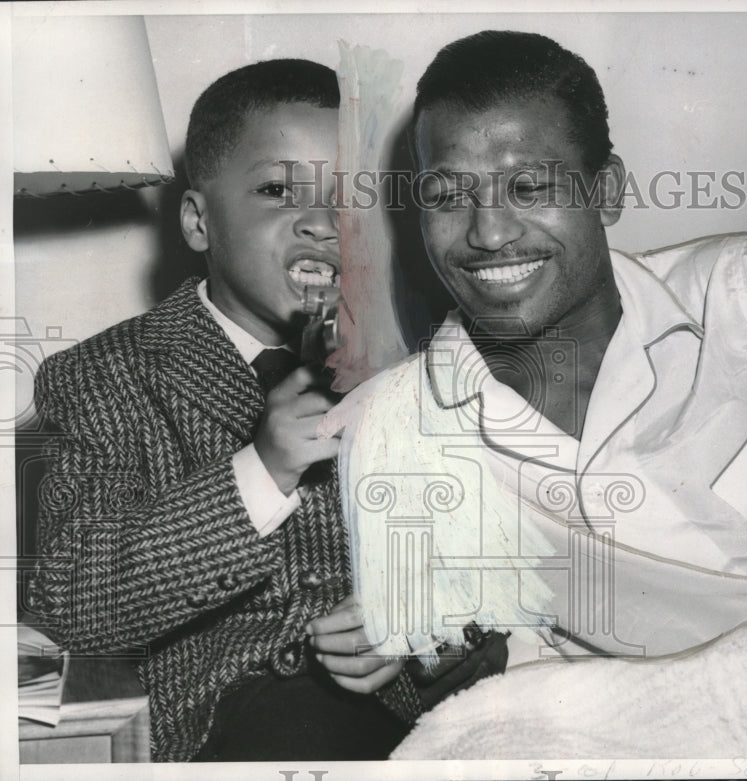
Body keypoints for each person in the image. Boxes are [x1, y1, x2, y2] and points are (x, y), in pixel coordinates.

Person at [327, 31, 747, 666]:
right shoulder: (397, 426)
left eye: (528, 188)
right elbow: (476, 658)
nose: (489, 233)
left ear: (606, 192)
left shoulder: (746, 290)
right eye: (448, 196)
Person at [27, 58, 499, 762]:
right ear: (197, 221)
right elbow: (72, 602)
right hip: (225, 723)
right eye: (278, 189)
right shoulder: (103, 376)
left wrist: (418, 623)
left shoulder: (422, 361)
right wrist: (262, 468)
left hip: (416, 719)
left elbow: (491, 557)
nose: (320, 223)